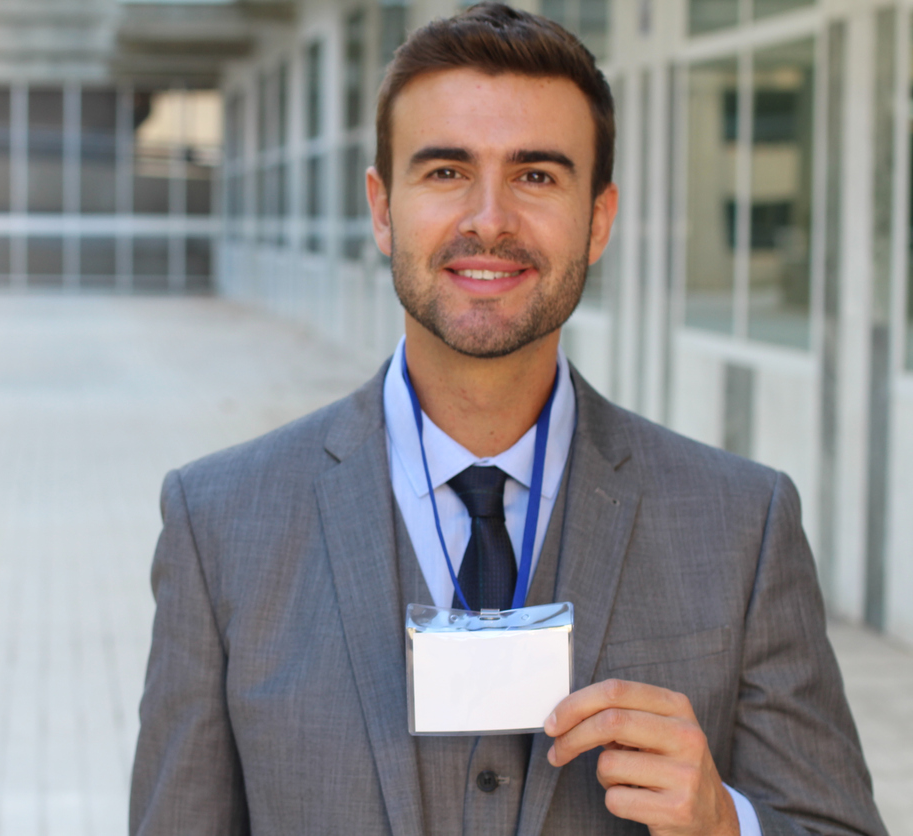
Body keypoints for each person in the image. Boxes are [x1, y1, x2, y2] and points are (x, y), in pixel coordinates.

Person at [129, 4, 887, 835]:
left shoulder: (744, 525)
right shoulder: (221, 525)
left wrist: (728, 823)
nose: (489, 219)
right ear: (383, 209)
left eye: (536, 176)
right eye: (447, 172)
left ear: (598, 220)